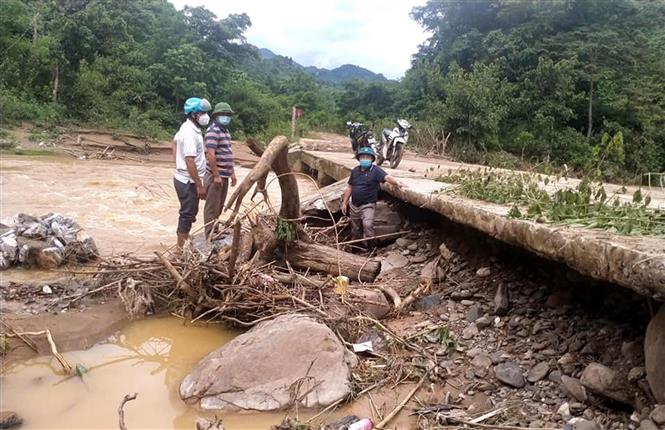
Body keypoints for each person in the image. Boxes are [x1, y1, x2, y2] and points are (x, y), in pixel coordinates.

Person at [340, 147, 405, 248]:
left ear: (371, 159)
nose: (365, 159)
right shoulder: (355, 171)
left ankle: (370, 247)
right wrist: (344, 202)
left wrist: (397, 183)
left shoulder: (376, 171)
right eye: (363, 157)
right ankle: (356, 248)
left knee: (368, 224)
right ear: (359, 159)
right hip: (354, 205)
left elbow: (387, 177)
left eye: (367, 157)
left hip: (368, 205)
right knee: (355, 228)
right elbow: (350, 187)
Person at [172, 97, 211, 250]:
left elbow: (174, 143)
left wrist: (176, 161)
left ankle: (183, 242)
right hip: (188, 181)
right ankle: (179, 249)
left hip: (185, 177)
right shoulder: (189, 132)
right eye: (202, 113)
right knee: (187, 214)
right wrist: (199, 185)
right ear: (194, 114)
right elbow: (190, 160)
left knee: (189, 212)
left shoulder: (189, 129)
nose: (205, 116)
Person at [203, 102, 238, 239]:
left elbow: (228, 153)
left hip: (224, 175)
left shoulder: (225, 131)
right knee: (212, 207)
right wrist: (216, 175)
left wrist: (232, 173)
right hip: (215, 176)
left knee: (219, 205)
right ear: (217, 115)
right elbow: (210, 154)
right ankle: (209, 233)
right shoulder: (213, 131)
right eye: (224, 114)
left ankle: (215, 230)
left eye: (228, 115)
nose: (226, 117)